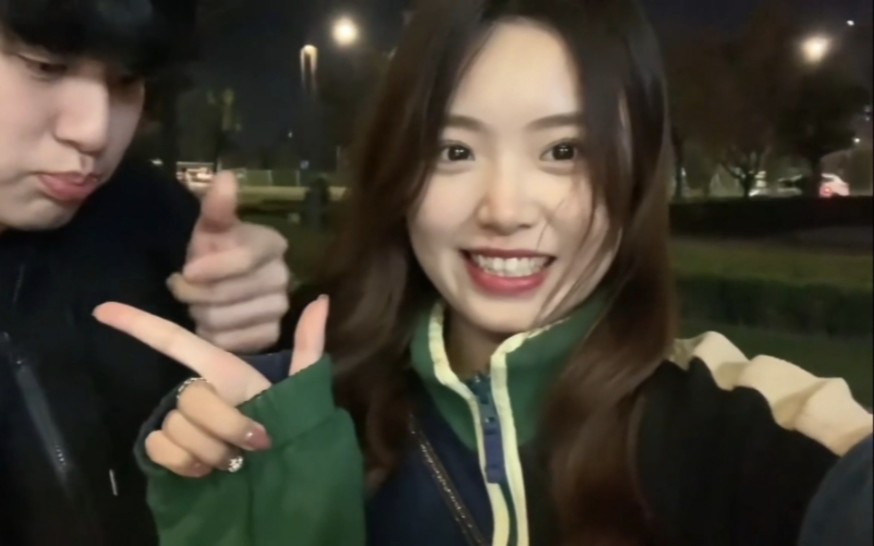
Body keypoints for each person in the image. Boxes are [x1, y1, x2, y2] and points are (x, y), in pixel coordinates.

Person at [97, 0, 873, 545]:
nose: (504, 209)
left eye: (564, 151)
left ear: (638, 172)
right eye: (455, 150)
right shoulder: (315, 413)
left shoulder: (736, 425)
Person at [0, 1, 294, 544]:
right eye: (45, 66)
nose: (94, 131)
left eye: (126, 81)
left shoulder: (150, 220)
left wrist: (255, 342)